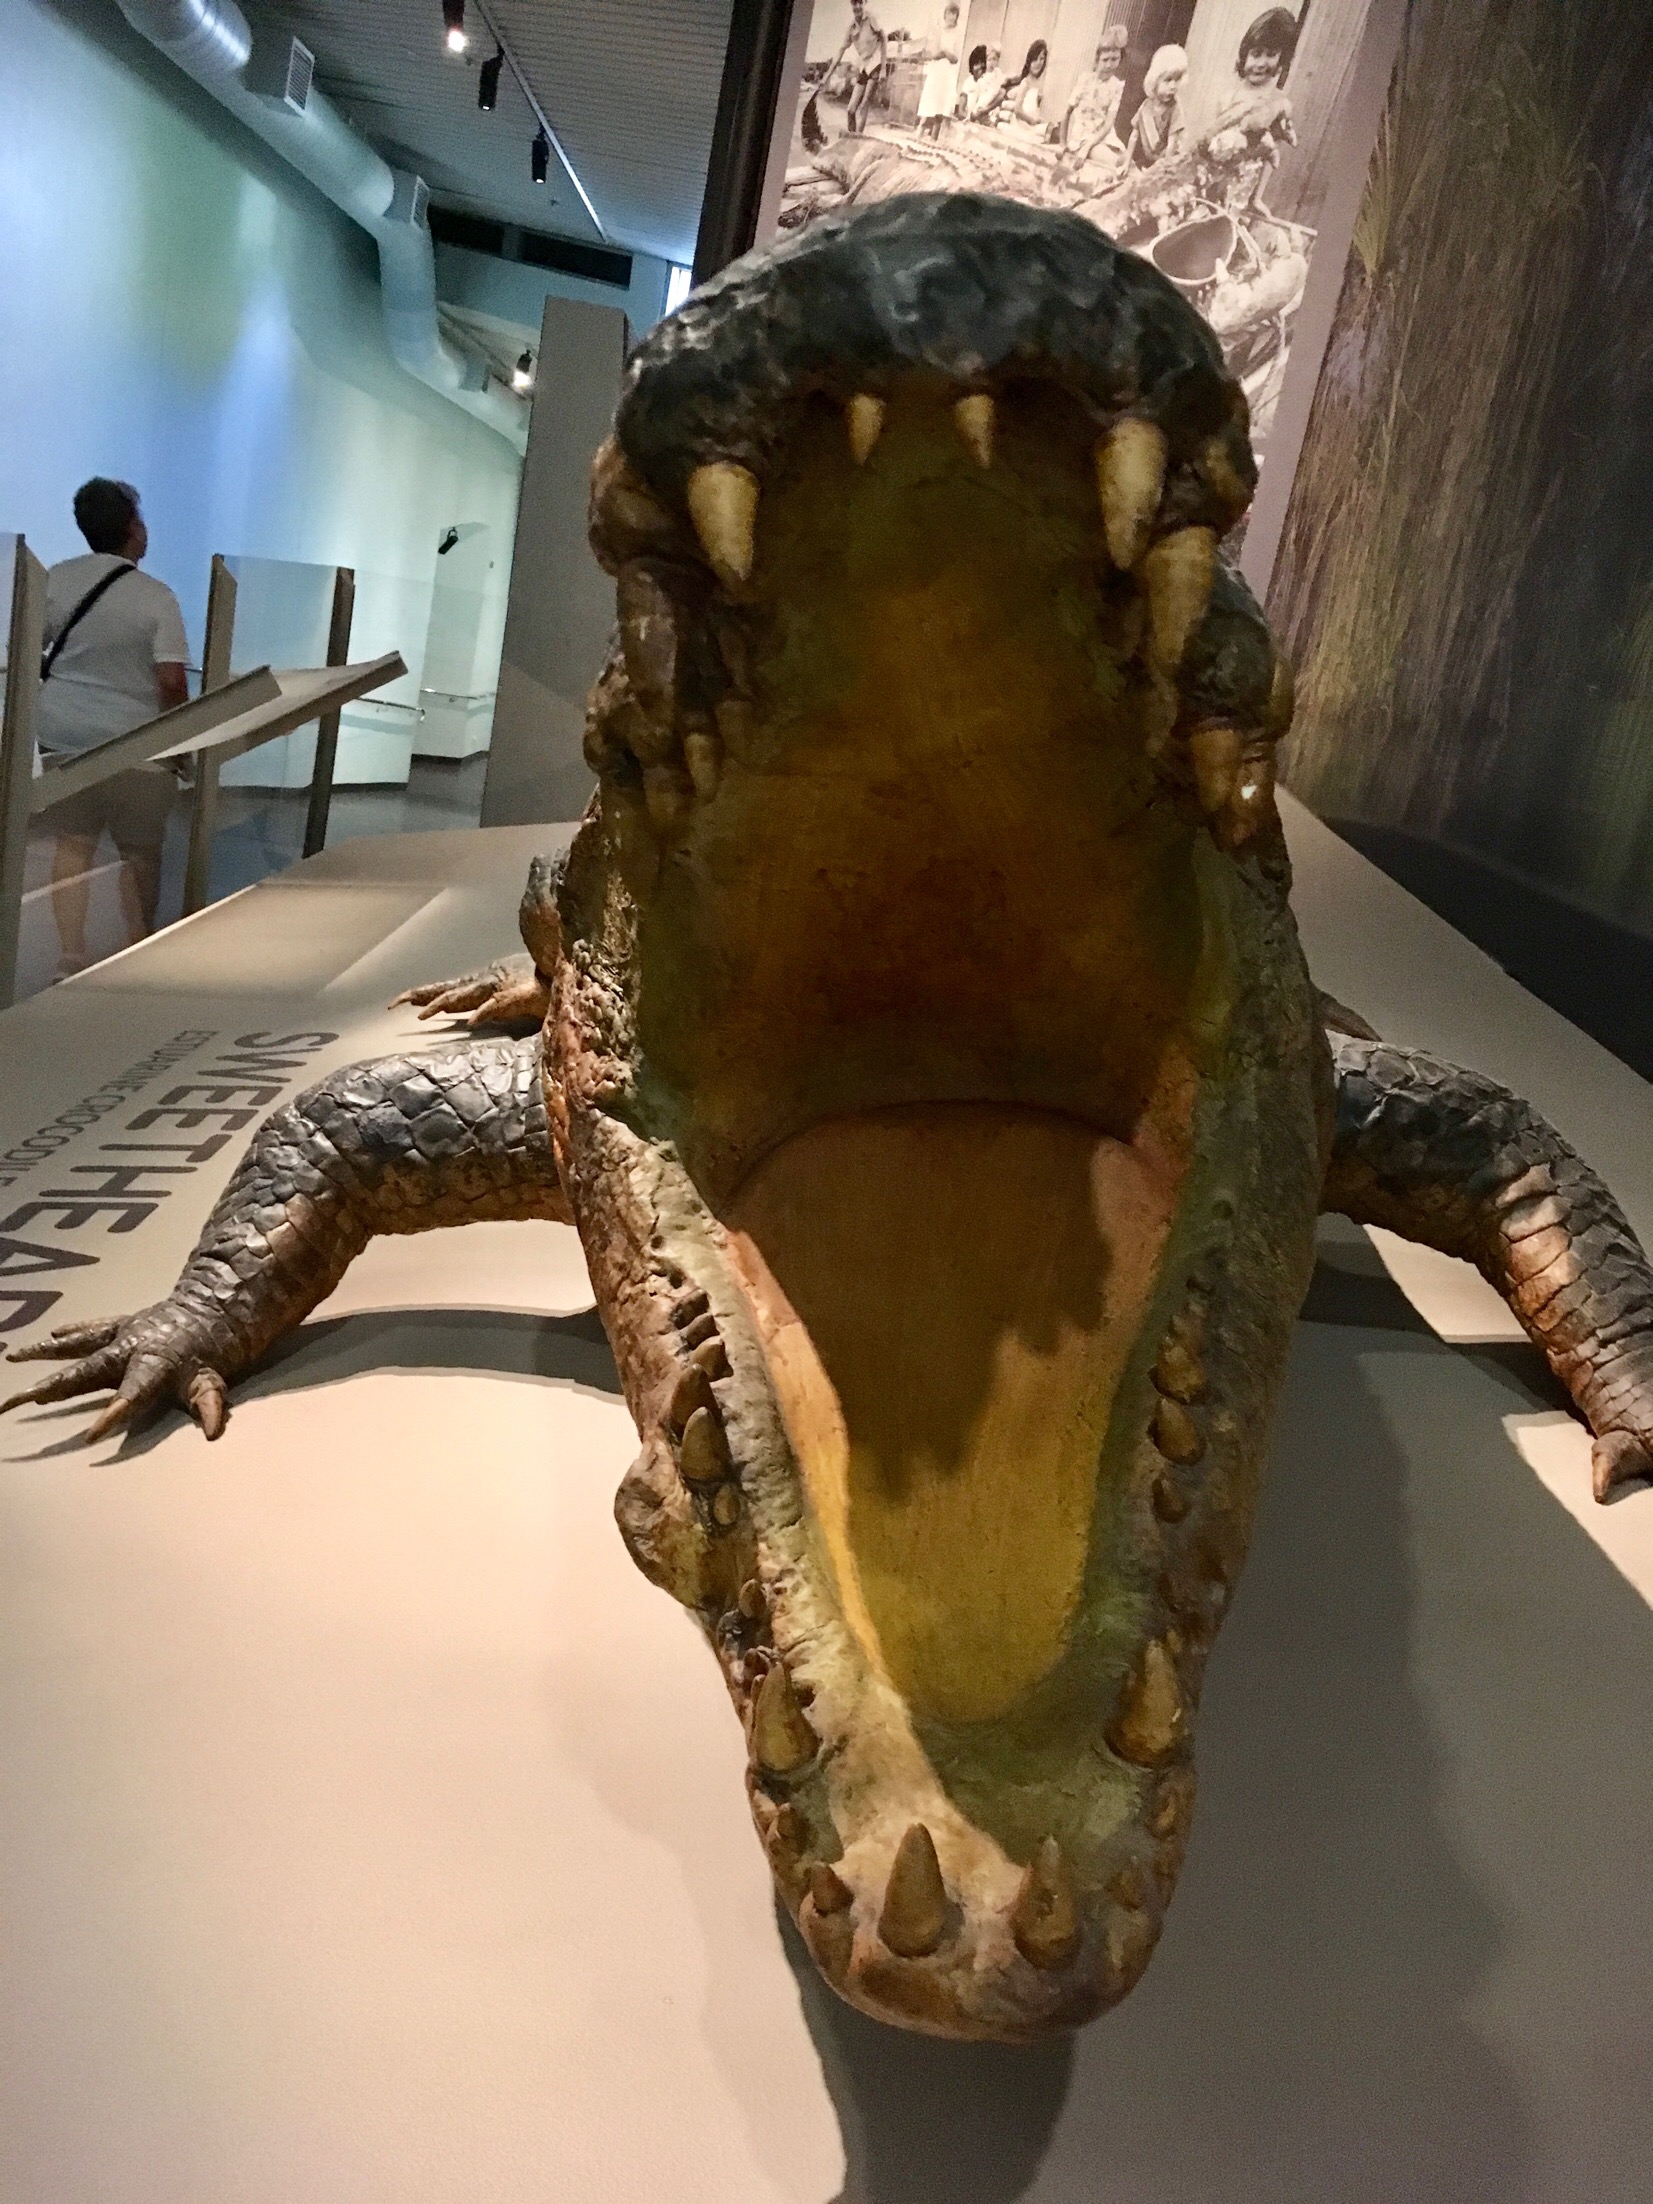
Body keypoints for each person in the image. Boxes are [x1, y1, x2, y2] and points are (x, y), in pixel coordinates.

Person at [35, 478, 189, 978]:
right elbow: (171, 681)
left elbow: (27, 647)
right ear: (132, 528)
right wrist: (181, 740)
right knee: (139, 852)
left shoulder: (56, 579)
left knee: (73, 843)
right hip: (136, 744)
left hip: (64, 737)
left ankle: (70, 955)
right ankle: (135, 947)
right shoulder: (156, 596)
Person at [1203, 7, 1299, 213]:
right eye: (1256, 54)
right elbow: (1213, 146)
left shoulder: (1277, 102)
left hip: (1246, 185)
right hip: (1220, 178)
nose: (1261, 63)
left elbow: (1270, 155)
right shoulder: (1229, 98)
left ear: (1282, 59)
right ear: (1245, 55)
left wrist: (1256, 198)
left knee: (1236, 217)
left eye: (1271, 55)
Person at [1062, 24, 1129, 175]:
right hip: (1083, 138)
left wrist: (1089, 146)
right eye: (1105, 60)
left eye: (1114, 59)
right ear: (1097, 59)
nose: (1109, 65)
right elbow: (1067, 112)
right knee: (1113, 163)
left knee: (1126, 159)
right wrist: (1063, 143)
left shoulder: (1116, 86)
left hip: (1104, 136)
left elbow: (1108, 123)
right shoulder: (1085, 80)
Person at [1127, 43, 1189, 167]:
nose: (1173, 86)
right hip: (1147, 161)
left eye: (1177, 80)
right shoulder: (1146, 106)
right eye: (1168, 80)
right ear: (1155, 80)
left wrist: (1163, 168)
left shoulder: (1175, 109)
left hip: (1166, 164)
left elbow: (1172, 144)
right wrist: (1126, 161)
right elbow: (1134, 135)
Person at [832, 0, 887, 135]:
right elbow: (841, 50)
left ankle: (859, 137)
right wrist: (827, 75)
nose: (857, 6)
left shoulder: (871, 18)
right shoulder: (851, 27)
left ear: (864, 3)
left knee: (864, 104)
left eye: (860, 3)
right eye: (854, 3)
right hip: (863, 66)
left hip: (875, 64)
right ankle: (852, 137)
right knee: (850, 109)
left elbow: (884, 38)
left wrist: (883, 68)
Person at [916, 1, 961, 141]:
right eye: (949, 13)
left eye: (954, 14)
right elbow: (933, 54)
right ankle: (919, 132)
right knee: (930, 101)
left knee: (942, 105)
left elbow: (955, 58)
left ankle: (933, 138)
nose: (951, 17)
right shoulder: (939, 31)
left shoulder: (957, 34)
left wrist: (945, 51)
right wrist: (942, 53)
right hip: (936, 72)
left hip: (948, 74)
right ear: (945, 15)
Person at [997, 39, 1049, 135]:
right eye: (1035, 59)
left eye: (1041, 59)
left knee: (1050, 129)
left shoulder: (1037, 84)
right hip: (1022, 125)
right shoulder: (1025, 83)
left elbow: (1033, 108)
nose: (1038, 63)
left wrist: (1037, 119)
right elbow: (1017, 110)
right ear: (1029, 61)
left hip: (1030, 125)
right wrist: (1031, 120)